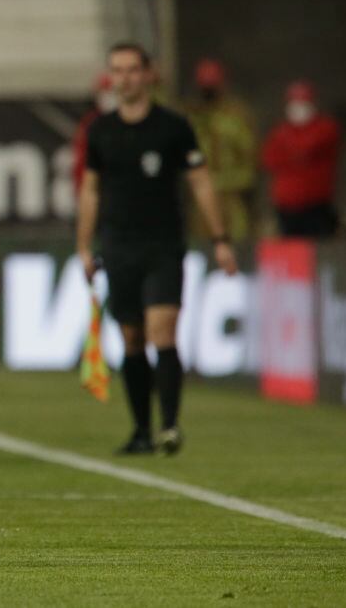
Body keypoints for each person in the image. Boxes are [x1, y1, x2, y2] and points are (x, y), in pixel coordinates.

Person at [76, 42, 238, 456]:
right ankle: (141, 430)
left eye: (132, 70)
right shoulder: (100, 131)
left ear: (148, 75)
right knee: (131, 339)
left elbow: (200, 181)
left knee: (162, 330)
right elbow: (90, 191)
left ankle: (169, 424)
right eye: (117, 70)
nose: (124, 78)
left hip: (164, 245)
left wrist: (220, 239)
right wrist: (83, 246)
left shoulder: (173, 127)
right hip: (118, 246)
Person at [184, 58, 258, 241]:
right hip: (199, 201)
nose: (208, 91)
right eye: (204, 85)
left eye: (212, 85)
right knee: (201, 249)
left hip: (232, 199)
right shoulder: (192, 115)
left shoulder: (237, 116)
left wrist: (221, 182)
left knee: (236, 245)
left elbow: (251, 162)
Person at [262, 80, 341, 238]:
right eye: (295, 104)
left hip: (315, 206)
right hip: (286, 207)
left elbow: (307, 148)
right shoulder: (281, 131)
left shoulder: (325, 128)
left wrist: (291, 154)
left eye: (303, 104)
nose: (298, 110)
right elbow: (268, 159)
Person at [72, 72, 118, 196]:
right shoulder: (91, 123)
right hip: (100, 192)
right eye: (104, 93)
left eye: (112, 92)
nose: (108, 97)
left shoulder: (135, 120)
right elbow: (81, 161)